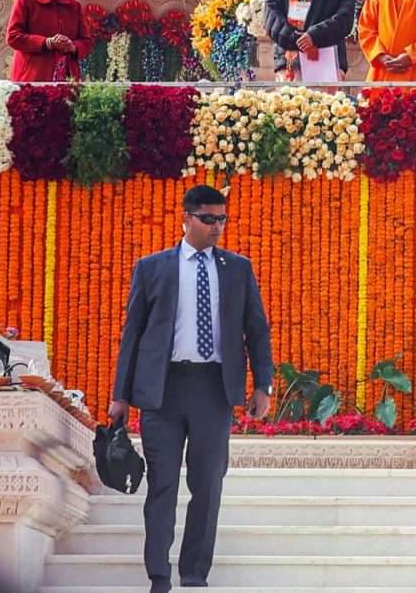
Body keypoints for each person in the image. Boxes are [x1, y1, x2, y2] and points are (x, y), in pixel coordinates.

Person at [110, 185, 274, 593]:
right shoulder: (152, 268)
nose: (217, 227)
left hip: (213, 389)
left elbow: (256, 329)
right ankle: (158, 575)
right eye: (208, 219)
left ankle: (195, 574)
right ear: (185, 218)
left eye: (222, 219)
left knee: (208, 483)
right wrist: (120, 396)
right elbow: (133, 335)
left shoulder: (237, 269)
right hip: (162, 389)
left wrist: (263, 385)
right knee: (162, 484)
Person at [5, 0, 87, 82]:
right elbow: (13, 37)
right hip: (32, 77)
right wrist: (47, 43)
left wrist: (72, 46)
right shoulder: (25, 0)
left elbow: (86, 41)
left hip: (67, 78)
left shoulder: (74, 5)